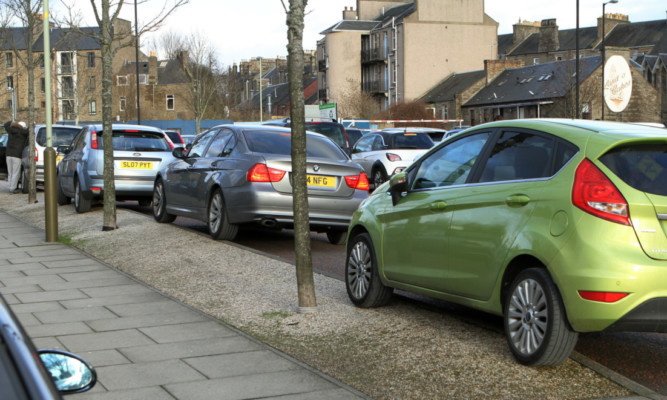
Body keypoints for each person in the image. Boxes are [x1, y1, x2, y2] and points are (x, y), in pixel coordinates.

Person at [4, 121, 28, 194]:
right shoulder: (23, 133)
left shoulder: (11, 131)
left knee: (10, 172)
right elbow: (29, 130)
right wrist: (33, 124)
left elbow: (6, 124)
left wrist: (12, 122)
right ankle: (12, 188)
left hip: (8, 154)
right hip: (17, 155)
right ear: (23, 127)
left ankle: (10, 187)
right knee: (15, 173)